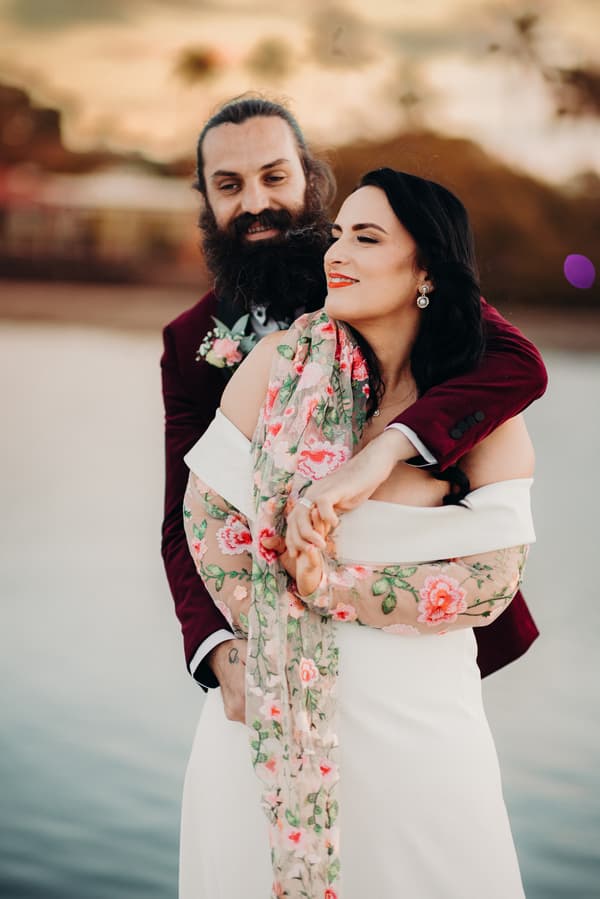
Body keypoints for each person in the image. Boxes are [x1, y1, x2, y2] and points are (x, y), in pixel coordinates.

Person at [178, 168, 537, 897]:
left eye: (366, 238)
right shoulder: (278, 365)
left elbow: (493, 579)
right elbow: (207, 518)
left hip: (422, 731)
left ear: (427, 267)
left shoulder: (480, 400)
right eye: (337, 234)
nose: (336, 252)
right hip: (269, 714)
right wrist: (271, 622)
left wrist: (332, 588)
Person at [160, 96, 547, 723]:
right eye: (229, 185)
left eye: (274, 176)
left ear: (311, 179)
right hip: (270, 653)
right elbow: (185, 511)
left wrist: (386, 450)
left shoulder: (369, 273)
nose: (255, 202)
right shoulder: (190, 341)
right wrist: (221, 650)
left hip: (421, 633)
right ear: (205, 199)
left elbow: (518, 365)